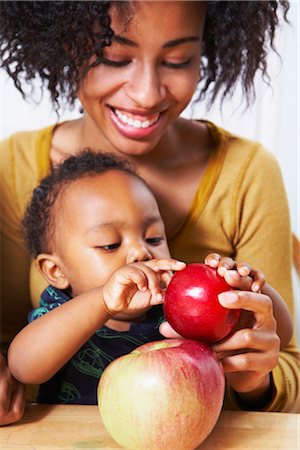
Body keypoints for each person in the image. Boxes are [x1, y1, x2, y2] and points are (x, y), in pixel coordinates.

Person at [0, 0, 298, 422]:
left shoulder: (246, 176)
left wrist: (252, 297)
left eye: (177, 60)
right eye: (114, 57)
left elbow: (282, 345)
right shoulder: (12, 168)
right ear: (64, 46)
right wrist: (101, 303)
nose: (146, 93)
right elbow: (19, 357)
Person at [7, 150, 291, 406]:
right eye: (110, 244)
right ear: (56, 271)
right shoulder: (60, 312)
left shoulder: (177, 310)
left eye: (154, 237)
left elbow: (283, 334)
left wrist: (251, 289)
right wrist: (103, 301)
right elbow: (23, 368)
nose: (141, 252)